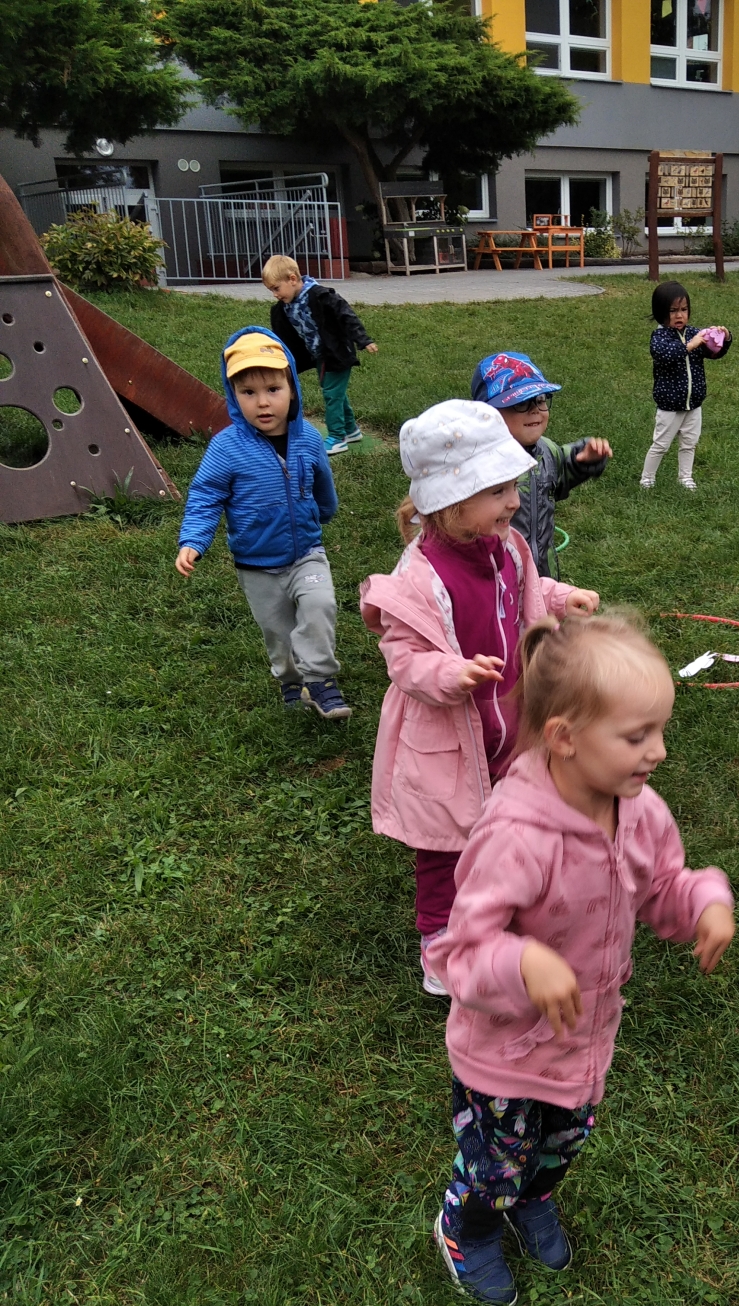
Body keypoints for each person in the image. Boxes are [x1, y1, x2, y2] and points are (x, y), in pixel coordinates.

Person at [427, 610, 736, 1306]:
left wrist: (703, 902)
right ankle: (468, 1225)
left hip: (582, 1039)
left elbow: (662, 886)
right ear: (563, 737)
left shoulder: (640, 810)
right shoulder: (515, 836)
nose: (658, 751)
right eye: (637, 736)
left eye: (660, 730)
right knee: (495, 1162)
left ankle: (534, 1197)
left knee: (561, 1143)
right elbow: (461, 953)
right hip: (504, 1051)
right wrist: (522, 964)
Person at [359, 399, 600, 996]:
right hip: (447, 741)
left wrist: (559, 598)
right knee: (445, 850)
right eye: (498, 490)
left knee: (509, 826)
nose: (514, 501)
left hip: (507, 725)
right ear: (452, 502)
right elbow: (403, 656)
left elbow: (526, 590)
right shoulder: (420, 578)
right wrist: (450, 673)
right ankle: (441, 945)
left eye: (513, 486)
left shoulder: (508, 547)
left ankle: (502, 908)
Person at [175, 328, 352, 720]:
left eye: (273, 389)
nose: (263, 402)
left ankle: (321, 680)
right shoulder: (226, 448)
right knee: (277, 630)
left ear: (292, 389)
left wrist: (324, 512)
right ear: (233, 395)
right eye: (248, 392)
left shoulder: (308, 438)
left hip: (307, 552)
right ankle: (291, 679)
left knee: (320, 605)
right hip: (256, 563)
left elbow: (321, 482)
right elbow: (205, 496)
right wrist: (193, 540)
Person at [471, 351, 612, 577]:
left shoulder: (547, 450)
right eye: (521, 403)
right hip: (496, 574)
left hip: (542, 572)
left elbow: (560, 473)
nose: (535, 410)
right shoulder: (477, 462)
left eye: (540, 400)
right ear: (488, 413)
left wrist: (583, 460)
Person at [263, 254, 377, 457]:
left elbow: (346, 315)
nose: (275, 295)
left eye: (276, 288)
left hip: (337, 353)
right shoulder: (285, 307)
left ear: (292, 279)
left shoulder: (321, 296)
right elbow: (283, 334)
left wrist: (363, 339)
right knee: (335, 392)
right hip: (319, 355)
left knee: (331, 394)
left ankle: (337, 437)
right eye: (271, 290)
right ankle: (351, 429)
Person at [640, 280, 730, 492]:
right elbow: (666, 355)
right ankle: (647, 479)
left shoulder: (694, 334)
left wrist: (723, 338)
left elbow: (713, 353)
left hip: (694, 403)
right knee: (661, 444)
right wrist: (690, 345)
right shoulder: (659, 337)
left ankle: (685, 477)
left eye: (684, 309)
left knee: (689, 443)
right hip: (670, 405)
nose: (679, 315)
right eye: (673, 311)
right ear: (660, 313)